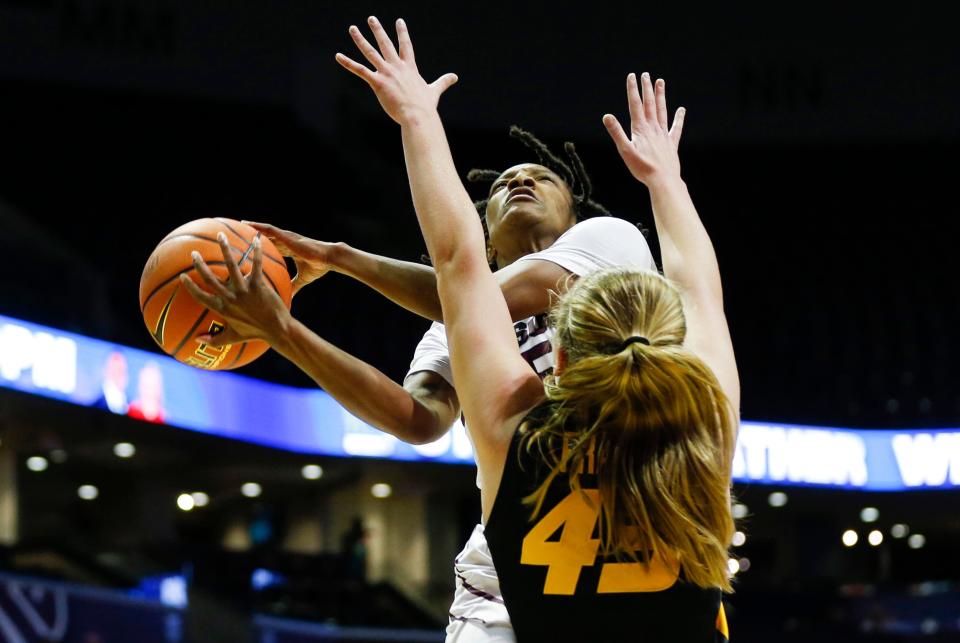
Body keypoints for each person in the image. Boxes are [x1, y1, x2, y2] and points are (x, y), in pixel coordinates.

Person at [333, 17, 739, 642]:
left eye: (541, 176)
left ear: (562, 364)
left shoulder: (513, 424)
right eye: (499, 185)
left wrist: (416, 120)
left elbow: (456, 269)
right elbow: (700, 291)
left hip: (527, 537)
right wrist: (665, 180)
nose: (520, 181)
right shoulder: (706, 427)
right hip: (657, 506)